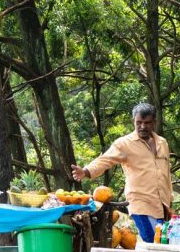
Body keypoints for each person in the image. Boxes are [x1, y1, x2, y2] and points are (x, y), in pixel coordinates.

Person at [71, 102, 171, 243]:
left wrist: (168, 202)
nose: (142, 126)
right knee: (153, 244)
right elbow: (104, 160)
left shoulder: (162, 143)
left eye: (147, 123)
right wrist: (86, 171)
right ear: (133, 121)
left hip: (161, 206)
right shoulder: (124, 143)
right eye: (139, 122)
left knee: (159, 245)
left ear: (154, 122)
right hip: (140, 202)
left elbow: (166, 174)